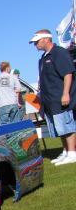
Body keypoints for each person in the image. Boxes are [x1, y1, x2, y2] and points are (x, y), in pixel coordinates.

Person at [30, 29, 76, 166]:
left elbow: (68, 73)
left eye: (37, 41)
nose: (35, 44)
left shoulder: (59, 52)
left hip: (60, 98)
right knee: (59, 129)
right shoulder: (43, 58)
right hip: (49, 101)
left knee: (67, 126)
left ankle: (72, 153)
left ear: (46, 39)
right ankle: (66, 151)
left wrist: (65, 93)